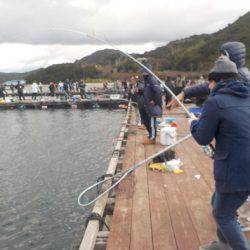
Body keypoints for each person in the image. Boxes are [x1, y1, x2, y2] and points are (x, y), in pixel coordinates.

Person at [190, 55, 250, 250]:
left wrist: (193, 123)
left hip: (235, 171)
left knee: (222, 215)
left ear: (216, 81)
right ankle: (223, 244)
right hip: (243, 167)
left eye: (210, 82)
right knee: (217, 201)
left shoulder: (214, 102)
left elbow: (202, 138)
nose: (208, 87)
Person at [168, 42, 250, 108]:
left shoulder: (238, 75)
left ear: (230, 56)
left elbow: (211, 86)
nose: (220, 58)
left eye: (222, 55)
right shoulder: (242, 72)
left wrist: (185, 93)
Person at [141, 67, 163, 144]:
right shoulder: (146, 80)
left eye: (145, 71)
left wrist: (155, 101)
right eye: (142, 72)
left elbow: (158, 91)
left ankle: (152, 139)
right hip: (147, 105)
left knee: (152, 122)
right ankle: (151, 136)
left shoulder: (152, 80)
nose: (143, 73)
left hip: (152, 105)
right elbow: (147, 91)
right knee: (149, 121)